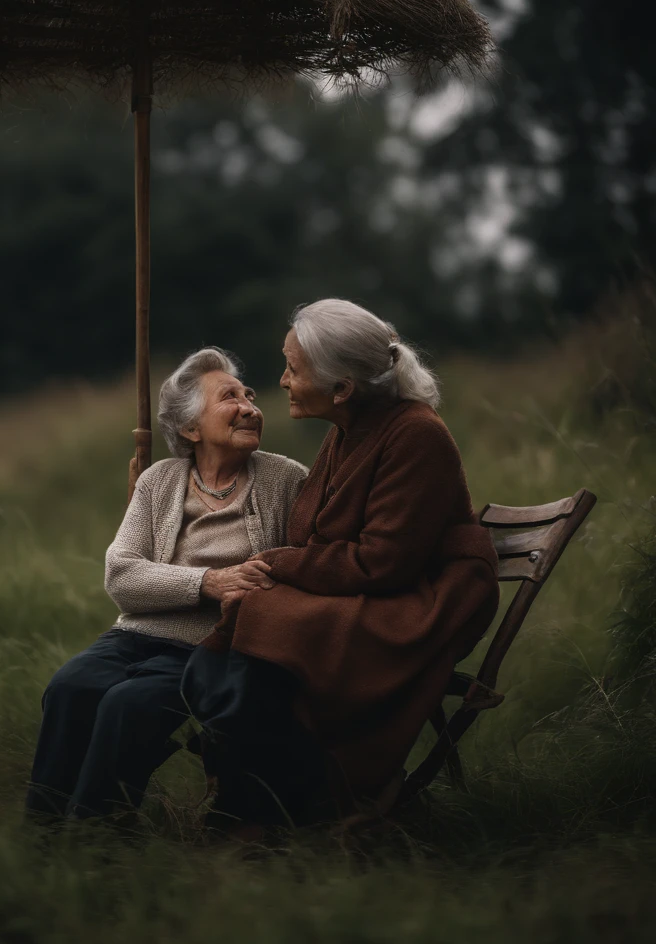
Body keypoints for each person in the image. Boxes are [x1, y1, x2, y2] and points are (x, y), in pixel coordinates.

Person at [182, 299, 500, 826]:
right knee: (256, 613)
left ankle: (260, 800)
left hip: (426, 600)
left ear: (342, 389)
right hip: (378, 586)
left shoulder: (417, 433)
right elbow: (317, 532)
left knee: (267, 617)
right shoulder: (351, 429)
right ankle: (265, 785)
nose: (281, 380)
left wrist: (281, 564)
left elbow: (383, 563)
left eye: (293, 368)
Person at [24, 346, 307, 823]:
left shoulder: (286, 478)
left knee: (126, 703)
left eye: (250, 395)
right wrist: (210, 581)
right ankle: (43, 829)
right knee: (70, 687)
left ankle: (96, 833)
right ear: (189, 428)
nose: (250, 407)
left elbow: (307, 559)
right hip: (133, 636)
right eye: (229, 398)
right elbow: (121, 574)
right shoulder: (160, 480)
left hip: (213, 647)